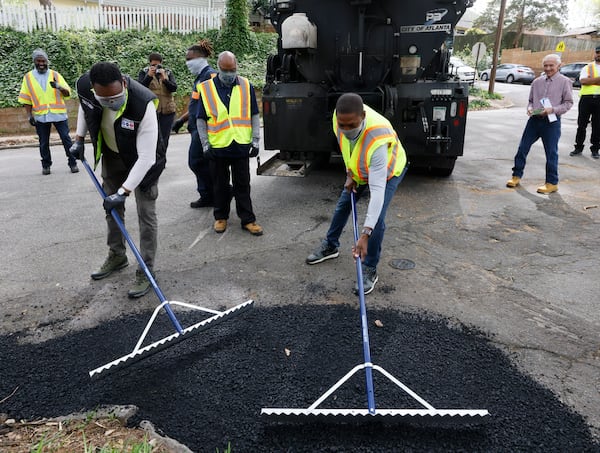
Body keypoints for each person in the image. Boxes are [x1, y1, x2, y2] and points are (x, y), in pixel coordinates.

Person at [69, 62, 166, 298]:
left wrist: (123, 192)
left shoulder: (143, 103)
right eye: (105, 99)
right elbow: (85, 107)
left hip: (144, 161)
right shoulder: (85, 88)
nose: (112, 102)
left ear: (123, 83)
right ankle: (117, 255)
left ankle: (146, 268)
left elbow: (146, 157)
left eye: (116, 96)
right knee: (111, 210)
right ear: (93, 89)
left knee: (146, 213)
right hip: (113, 156)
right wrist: (79, 138)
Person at [306, 93, 408, 295]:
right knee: (344, 203)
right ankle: (331, 246)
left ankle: (369, 268)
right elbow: (347, 149)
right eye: (342, 125)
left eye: (351, 125)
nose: (345, 130)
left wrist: (365, 233)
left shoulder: (378, 136)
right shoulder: (340, 118)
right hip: (360, 169)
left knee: (377, 219)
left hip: (387, 171)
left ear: (362, 116)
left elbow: (377, 190)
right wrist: (350, 174)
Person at [196, 51, 263, 236]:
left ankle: (248, 220)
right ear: (218, 68)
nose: (229, 73)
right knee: (220, 185)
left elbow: (254, 114)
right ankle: (221, 217)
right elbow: (200, 119)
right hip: (218, 146)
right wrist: (205, 144)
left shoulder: (245, 85)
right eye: (226, 70)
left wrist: (256, 141)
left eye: (232, 69)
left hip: (240, 144)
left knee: (243, 184)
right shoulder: (206, 88)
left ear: (237, 67)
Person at [506, 54, 573, 194]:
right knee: (522, 148)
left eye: (551, 65)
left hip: (551, 122)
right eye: (545, 65)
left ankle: (552, 183)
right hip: (534, 121)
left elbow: (568, 103)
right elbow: (531, 100)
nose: (548, 68)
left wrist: (552, 110)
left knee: (551, 153)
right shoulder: (537, 82)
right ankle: (516, 176)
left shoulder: (565, 81)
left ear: (558, 66)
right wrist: (530, 108)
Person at [172, 40, 218, 208]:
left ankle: (221, 190)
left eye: (190, 59)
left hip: (204, 128)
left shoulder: (210, 76)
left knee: (196, 161)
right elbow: (195, 105)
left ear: (201, 58)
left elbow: (215, 106)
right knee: (202, 162)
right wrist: (181, 120)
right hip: (194, 127)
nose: (187, 63)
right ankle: (207, 195)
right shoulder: (200, 78)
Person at [18, 48, 77, 175]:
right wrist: (29, 115)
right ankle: (46, 165)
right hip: (41, 116)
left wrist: (59, 87)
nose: (41, 63)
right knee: (43, 142)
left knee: (66, 139)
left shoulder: (55, 75)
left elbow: (68, 93)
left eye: (43, 61)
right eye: (38, 61)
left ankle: (73, 162)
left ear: (47, 61)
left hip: (59, 115)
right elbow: (26, 99)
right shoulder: (28, 77)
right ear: (34, 62)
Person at [137, 52, 177, 150]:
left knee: (165, 137)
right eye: (153, 65)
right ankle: (154, 160)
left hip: (167, 111)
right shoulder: (144, 72)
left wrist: (165, 79)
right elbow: (140, 88)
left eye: (158, 65)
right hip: (152, 111)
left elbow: (174, 88)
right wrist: (149, 76)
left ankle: (162, 161)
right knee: (153, 137)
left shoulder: (167, 72)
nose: (156, 67)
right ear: (149, 64)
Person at [570, 45, 600, 159]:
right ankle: (578, 147)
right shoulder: (588, 67)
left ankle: (595, 149)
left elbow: (588, 81)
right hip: (586, 99)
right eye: (597, 52)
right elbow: (583, 81)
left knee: (598, 126)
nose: (598, 54)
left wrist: (591, 80)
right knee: (581, 125)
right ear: (595, 53)